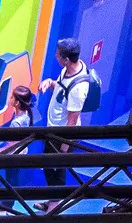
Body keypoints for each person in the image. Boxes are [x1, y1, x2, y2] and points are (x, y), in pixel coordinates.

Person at [39, 38, 99, 187]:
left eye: (58, 55)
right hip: (53, 131)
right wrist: (51, 83)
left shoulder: (78, 89)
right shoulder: (68, 69)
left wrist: (63, 151)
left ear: (66, 59)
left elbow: (72, 122)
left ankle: (54, 206)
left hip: (60, 137)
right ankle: (52, 200)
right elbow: (62, 90)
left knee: (56, 172)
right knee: (48, 169)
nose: (55, 56)